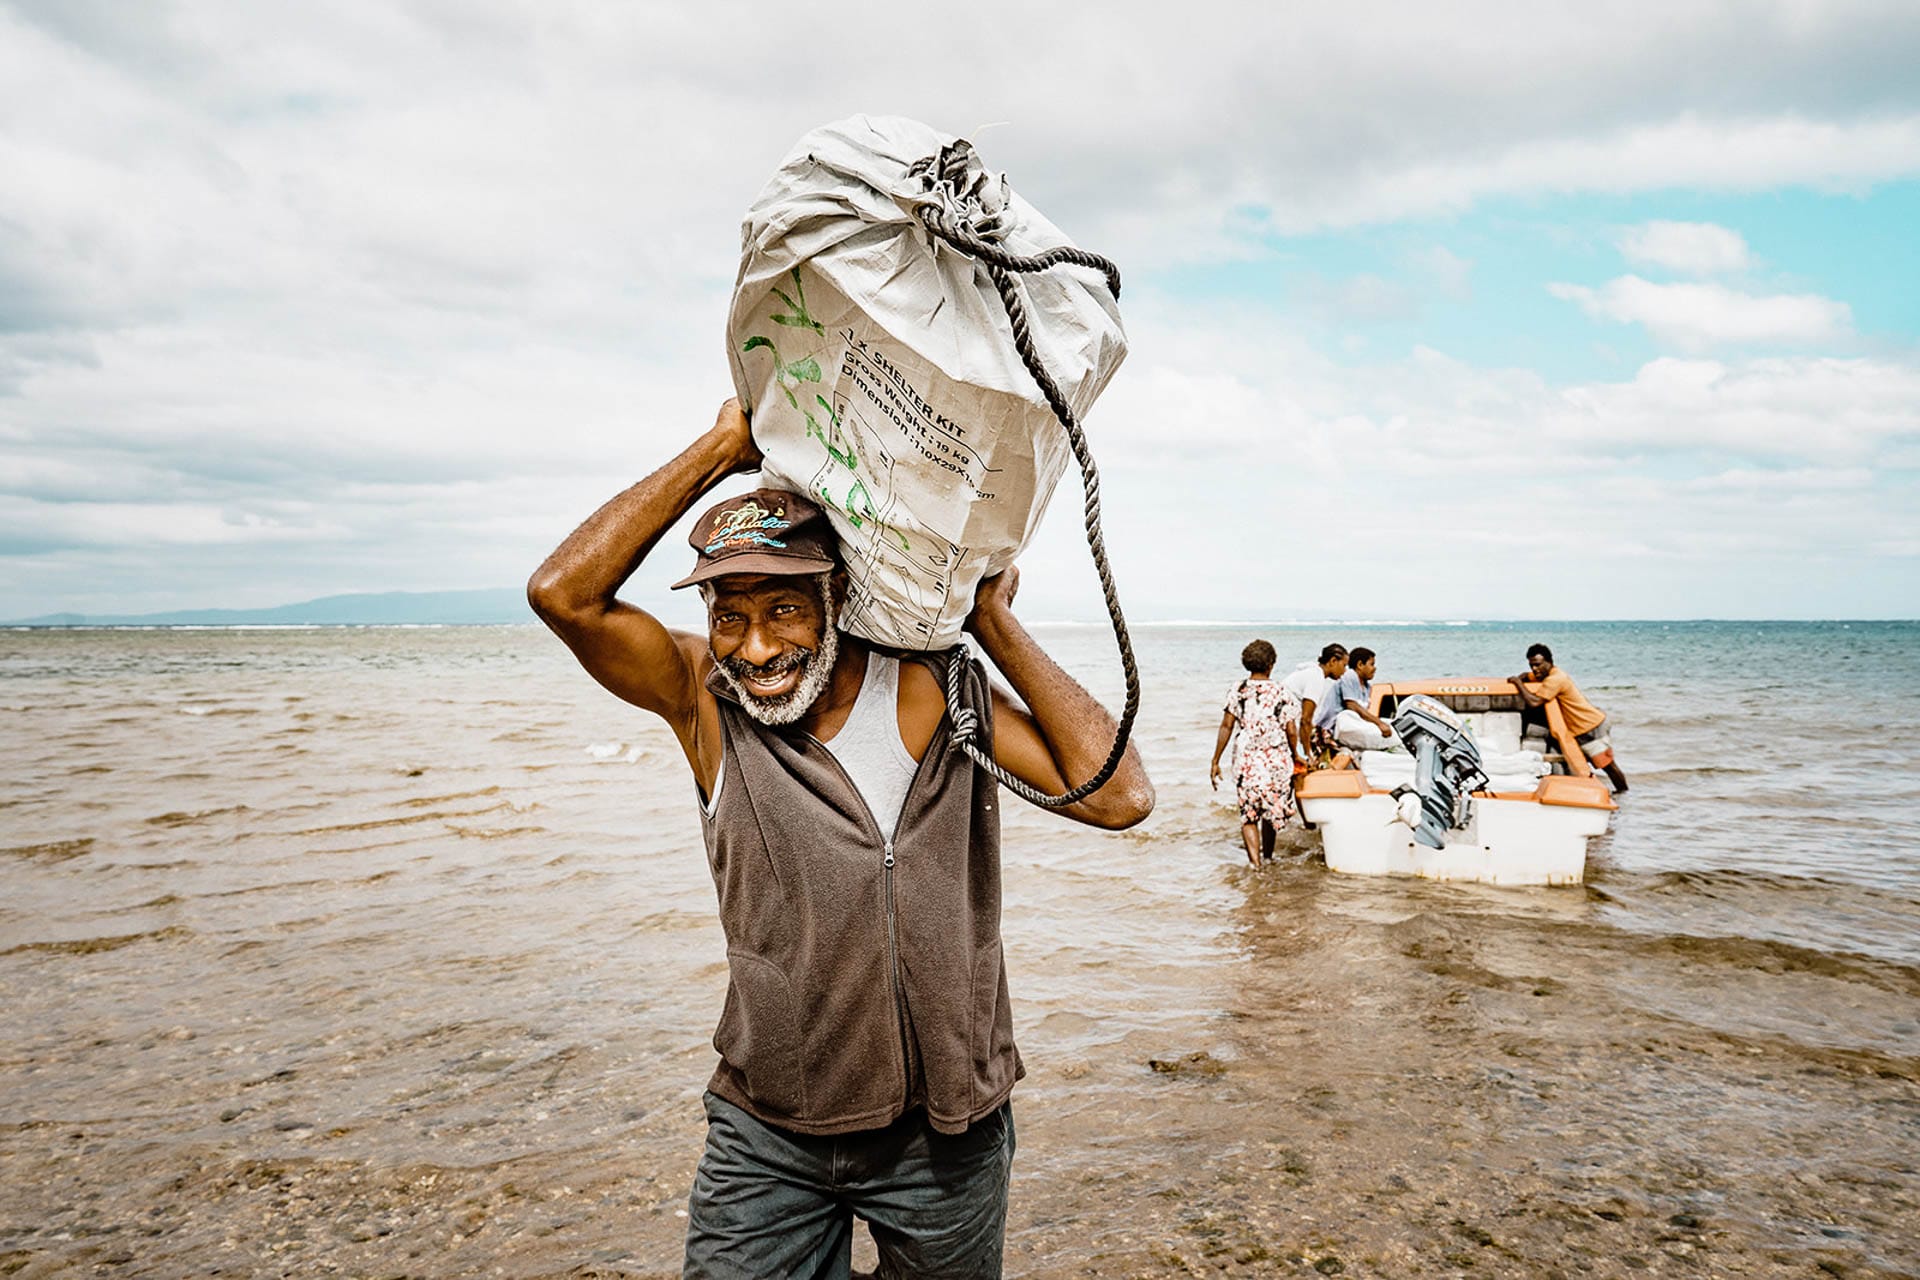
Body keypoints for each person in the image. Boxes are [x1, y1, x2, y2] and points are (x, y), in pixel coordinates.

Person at [526, 399, 1153, 1280]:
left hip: (946, 1135)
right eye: (729, 615)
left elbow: (1119, 795)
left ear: (836, 595)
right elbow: (563, 594)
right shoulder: (701, 699)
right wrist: (721, 449)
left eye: (783, 608)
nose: (754, 647)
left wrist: (990, 621)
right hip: (768, 1131)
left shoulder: (937, 692)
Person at [1209, 640, 1302, 867]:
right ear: (1271, 664)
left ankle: (1256, 865)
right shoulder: (1281, 691)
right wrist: (1296, 754)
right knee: (1271, 811)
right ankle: (1268, 858)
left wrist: (1215, 760)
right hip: (1275, 761)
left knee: (1249, 815)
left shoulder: (1238, 690)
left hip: (1247, 760)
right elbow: (1291, 729)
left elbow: (1226, 726)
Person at [1510, 643, 1629, 791]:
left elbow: (1534, 702)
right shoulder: (1546, 675)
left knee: (1607, 766)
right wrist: (1523, 677)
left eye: (1538, 665)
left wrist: (1517, 683)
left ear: (1549, 662)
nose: (1534, 669)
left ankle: (1624, 795)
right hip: (1578, 730)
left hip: (1590, 727)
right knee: (1583, 766)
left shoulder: (1556, 679)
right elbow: (1526, 676)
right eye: (1531, 665)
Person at [1316, 646, 1397, 753]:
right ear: (1360, 665)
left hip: (1350, 727)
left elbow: (1363, 713)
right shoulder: (1350, 676)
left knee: (1392, 725)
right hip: (1333, 727)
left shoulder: (1367, 687)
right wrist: (1379, 723)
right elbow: (1352, 706)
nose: (1375, 668)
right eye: (1371, 664)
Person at [1281, 643, 1347, 767]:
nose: (1345, 671)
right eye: (1344, 665)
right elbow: (1305, 720)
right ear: (1333, 661)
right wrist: (1308, 754)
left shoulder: (1310, 672)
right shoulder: (1316, 678)